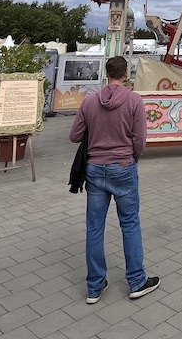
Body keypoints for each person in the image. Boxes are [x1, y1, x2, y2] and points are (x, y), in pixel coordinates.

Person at [70, 56, 160, 303]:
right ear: (125, 74)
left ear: (106, 74)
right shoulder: (133, 100)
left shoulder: (89, 101)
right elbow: (139, 139)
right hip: (123, 166)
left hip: (95, 169)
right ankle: (136, 281)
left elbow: (74, 135)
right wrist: (133, 158)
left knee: (94, 227)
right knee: (129, 223)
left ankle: (95, 286)